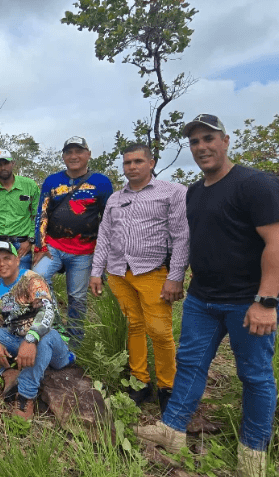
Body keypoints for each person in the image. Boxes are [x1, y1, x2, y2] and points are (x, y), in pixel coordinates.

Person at [135, 114, 279, 477]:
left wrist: (266, 301)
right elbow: (193, 240)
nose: (201, 147)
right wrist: (178, 277)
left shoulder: (257, 184)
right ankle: (172, 430)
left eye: (208, 138)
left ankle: (253, 453)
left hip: (250, 301)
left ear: (225, 140)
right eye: (194, 142)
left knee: (254, 375)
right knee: (190, 364)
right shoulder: (196, 191)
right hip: (202, 298)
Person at [89, 143, 188, 413]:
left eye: (138, 161)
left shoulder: (173, 192)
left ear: (151, 163)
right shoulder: (115, 198)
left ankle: (168, 387)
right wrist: (97, 271)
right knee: (134, 326)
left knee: (160, 332)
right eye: (127, 163)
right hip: (119, 272)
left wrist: (176, 276)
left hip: (153, 272)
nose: (132, 167)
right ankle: (140, 382)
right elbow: (105, 236)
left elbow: (181, 236)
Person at [0, 242, 74, 419]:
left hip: (51, 343)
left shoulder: (32, 279)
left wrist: (31, 339)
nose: (2, 264)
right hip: (15, 338)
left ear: (17, 260)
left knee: (44, 339)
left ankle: (25, 396)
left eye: (7, 258)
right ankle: (8, 372)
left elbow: (47, 311)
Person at [33, 136, 113, 342]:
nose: (74, 156)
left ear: (88, 154)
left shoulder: (101, 182)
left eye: (78, 151)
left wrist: (102, 258)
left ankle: (76, 338)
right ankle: (57, 329)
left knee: (77, 297)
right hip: (53, 246)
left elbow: (109, 221)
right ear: (63, 156)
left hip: (83, 251)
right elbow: (42, 213)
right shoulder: (52, 181)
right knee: (38, 279)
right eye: (69, 152)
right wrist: (40, 246)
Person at [0, 148, 40, 277]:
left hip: (21, 245)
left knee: (22, 286)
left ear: (12, 163)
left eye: (6, 163)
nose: (3, 167)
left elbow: (37, 215)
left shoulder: (29, 186)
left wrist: (29, 241)